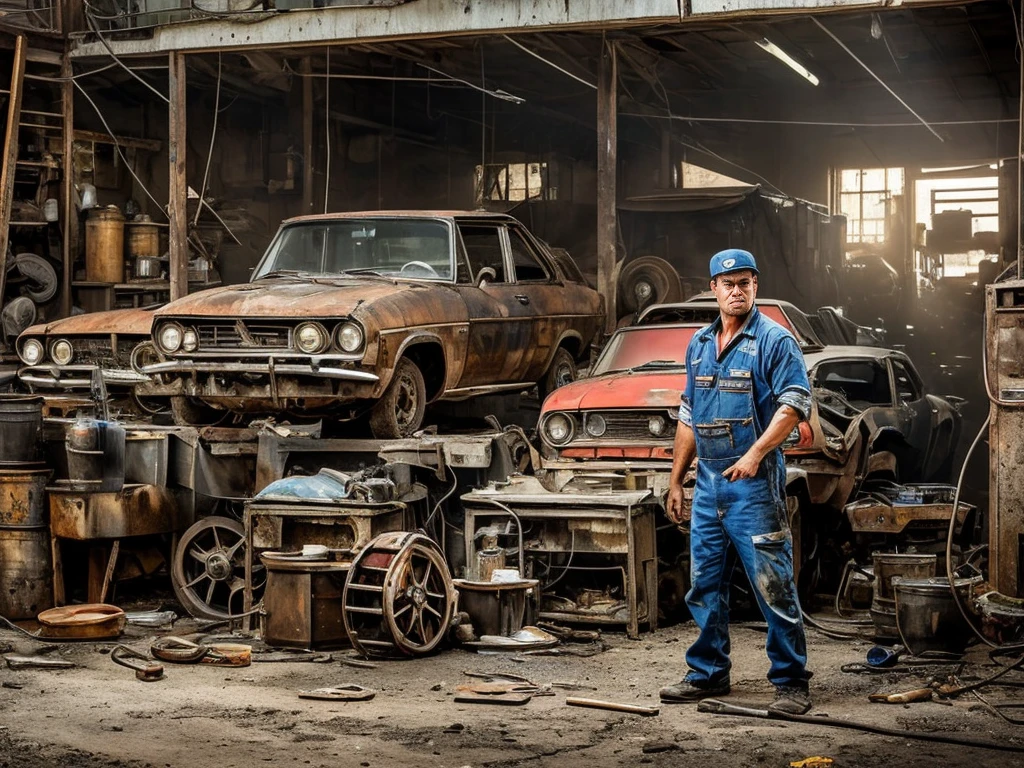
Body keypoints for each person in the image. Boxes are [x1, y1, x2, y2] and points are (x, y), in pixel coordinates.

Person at [659, 248, 813, 715]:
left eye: (744, 282)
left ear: (755, 285)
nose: (736, 290)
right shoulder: (699, 344)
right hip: (707, 485)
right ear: (714, 289)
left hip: (754, 485)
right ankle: (708, 674)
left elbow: (793, 406)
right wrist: (676, 480)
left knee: (774, 584)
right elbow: (688, 416)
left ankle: (790, 682)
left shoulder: (774, 341)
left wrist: (755, 454)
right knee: (704, 585)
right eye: (728, 283)